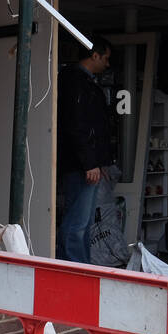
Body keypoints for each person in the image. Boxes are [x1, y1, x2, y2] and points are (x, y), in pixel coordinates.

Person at [57, 36, 113, 263]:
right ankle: (76, 267)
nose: (107, 64)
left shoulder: (78, 81)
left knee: (82, 221)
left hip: (83, 163)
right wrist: (90, 162)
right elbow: (79, 126)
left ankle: (80, 266)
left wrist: (99, 162)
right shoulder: (77, 83)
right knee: (78, 222)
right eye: (106, 58)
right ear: (95, 55)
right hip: (80, 165)